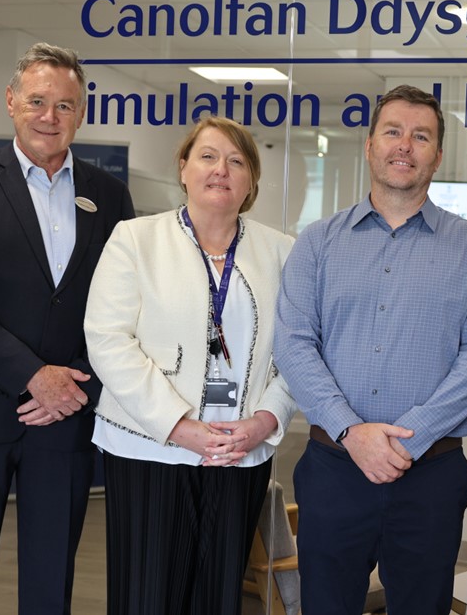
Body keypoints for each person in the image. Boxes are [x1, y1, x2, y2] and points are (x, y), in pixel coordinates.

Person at [274, 84, 467, 614]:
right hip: (334, 467)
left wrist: (410, 439)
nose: (405, 145)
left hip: (431, 474)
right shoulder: (318, 241)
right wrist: (351, 432)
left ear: (437, 155)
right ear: (370, 145)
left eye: (421, 136)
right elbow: (292, 343)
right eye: (393, 132)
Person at [0, 42, 135, 615]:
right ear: (12, 102)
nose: (50, 116)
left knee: (50, 586)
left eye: (65, 105)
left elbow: (123, 311)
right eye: (37, 101)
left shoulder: (110, 196)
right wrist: (31, 376)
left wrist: (68, 386)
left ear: (81, 113)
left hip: (63, 419)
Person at [83, 116, 297, 615]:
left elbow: (300, 352)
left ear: (251, 182)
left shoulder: (283, 253)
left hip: (239, 453)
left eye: (236, 161)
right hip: (148, 449)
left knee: (219, 597)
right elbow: (109, 341)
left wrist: (266, 420)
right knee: (147, 596)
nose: (221, 169)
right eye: (207, 156)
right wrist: (178, 426)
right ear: (183, 169)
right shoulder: (135, 239)